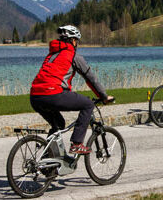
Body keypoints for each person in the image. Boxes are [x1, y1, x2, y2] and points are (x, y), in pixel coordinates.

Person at [30, 25, 114, 154]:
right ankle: (77, 144)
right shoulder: (73, 55)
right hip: (53, 93)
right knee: (87, 104)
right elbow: (90, 78)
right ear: (73, 41)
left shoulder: (51, 55)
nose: (77, 44)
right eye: (77, 41)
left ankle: (49, 163)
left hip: (35, 96)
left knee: (58, 124)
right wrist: (103, 96)